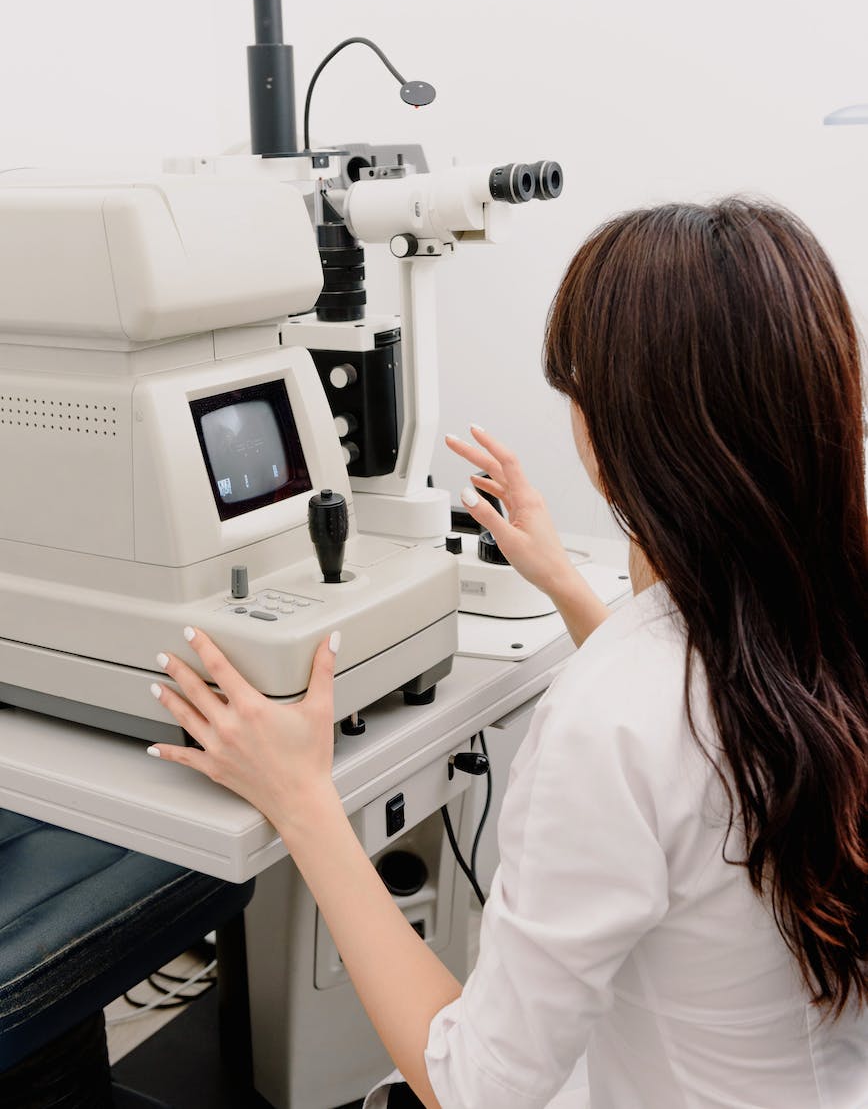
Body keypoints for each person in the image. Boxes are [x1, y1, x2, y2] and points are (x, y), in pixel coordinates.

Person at [146, 198, 868, 1108]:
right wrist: (568, 584)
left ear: (621, 434)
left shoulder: (614, 716)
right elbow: (714, 749)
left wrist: (303, 803)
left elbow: (474, 1088)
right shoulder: (823, 620)